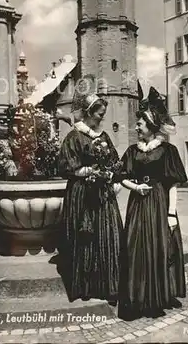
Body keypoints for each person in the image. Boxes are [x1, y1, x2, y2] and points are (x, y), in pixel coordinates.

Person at [118, 86, 188, 321]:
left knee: (159, 247)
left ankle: (158, 297)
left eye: (140, 124)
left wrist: (171, 215)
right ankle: (137, 297)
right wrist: (135, 187)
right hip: (138, 205)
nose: (136, 127)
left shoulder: (168, 151)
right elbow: (121, 177)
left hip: (159, 203)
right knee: (135, 247)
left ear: (151, 126)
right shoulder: (131, 151)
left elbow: (173, 184)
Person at [57, 78, 123, 305]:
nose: (102, 118)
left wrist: (111, 175)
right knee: (86, 240)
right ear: (87, 113)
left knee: (107, 237)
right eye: (99, 114)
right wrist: (89, 171)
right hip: (82, 195)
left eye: (103, 114)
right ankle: (86, 286)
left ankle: (108, 286)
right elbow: (67, 167)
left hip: (103, 195)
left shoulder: (104, 137)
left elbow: (115, 162)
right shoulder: (74, 137)